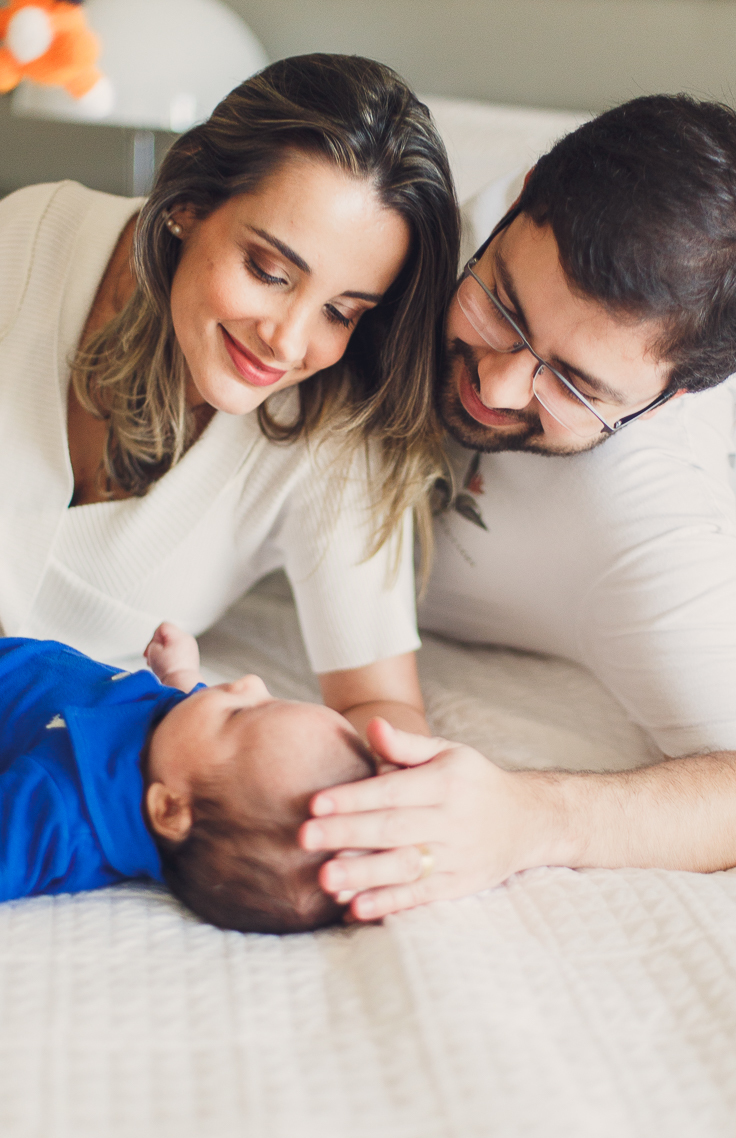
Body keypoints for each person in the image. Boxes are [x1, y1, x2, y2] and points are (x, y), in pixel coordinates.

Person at [300, 94, 736, 918]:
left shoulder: (655, 515)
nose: (496, 385)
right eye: (502, 307)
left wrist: (528, 817)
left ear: (671, 397)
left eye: (573, 383)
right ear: (519, 198)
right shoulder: (423, 230)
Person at [0, 54, 460, 742]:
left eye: (341, 312)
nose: (286, 341)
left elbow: (380, 708)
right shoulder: (34, 235)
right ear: (188, 203)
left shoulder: (330, 434)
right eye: (269, 271)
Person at [0, 622, 375, 933]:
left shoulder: (61, 812)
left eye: (238, 715)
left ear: (168, 810)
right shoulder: (178, 752)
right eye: (272, 698)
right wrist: (181, 674)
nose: (251, 682)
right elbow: (190, 724)